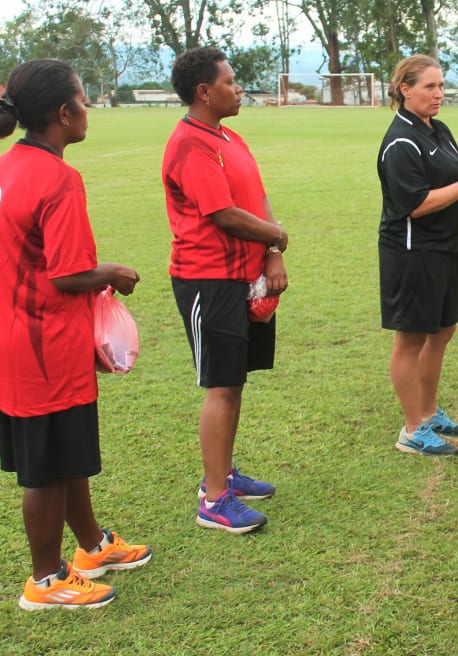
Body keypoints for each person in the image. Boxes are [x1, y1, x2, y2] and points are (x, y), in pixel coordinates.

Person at [0, 59, 150, 610]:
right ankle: (45, 581)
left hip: (14, 336)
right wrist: (113, 273)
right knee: (47, 468)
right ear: (63, 111)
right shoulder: (57, 177)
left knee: (66, 452)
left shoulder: (5, 167)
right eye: (83, 98)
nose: (88, 108)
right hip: (41, 343)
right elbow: (67, 273)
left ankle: (91, 546)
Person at [163, 47, 287, 534]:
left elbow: (255, 199)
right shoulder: (191, 145)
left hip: (243, 274)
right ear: (204, 92)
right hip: (207, 279)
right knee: (221, 383)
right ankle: (214, 498)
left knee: (235, 379)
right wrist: (274, 237)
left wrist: (273, 249)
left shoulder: (227, 135)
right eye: (231, 81)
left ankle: (224, 474)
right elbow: (223, 215)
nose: (239, 89)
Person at [377, 54, 458, 456]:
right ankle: (412, 429)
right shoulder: (400, 141)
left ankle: (429, 412)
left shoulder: (437, 129)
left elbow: (455, 171)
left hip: (444, 249)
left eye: (441, 85)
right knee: (411, 338)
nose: (439, 94)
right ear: (405, 89)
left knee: (443, 330)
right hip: (413, 253)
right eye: (430, 86)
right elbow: (414, 204)